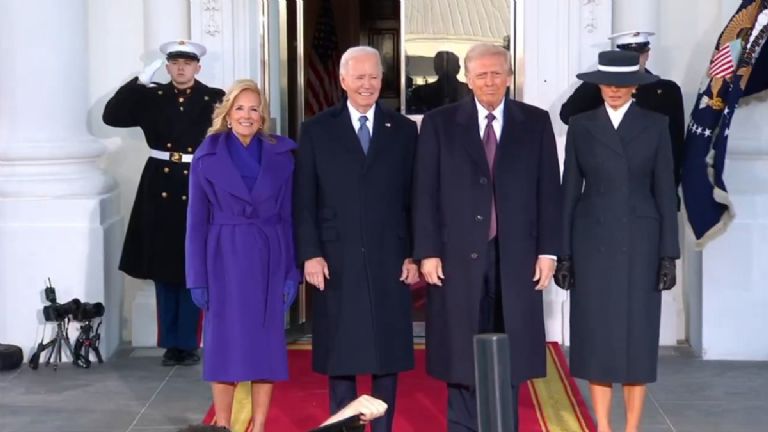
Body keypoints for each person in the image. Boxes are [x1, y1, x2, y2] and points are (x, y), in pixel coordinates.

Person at [412, 43, 561, 432]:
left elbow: (549, 191)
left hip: (515, 257)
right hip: (456, 256)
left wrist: (549, 252)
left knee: (510, 348)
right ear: (466, 78)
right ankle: (462, 426)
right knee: (461, 349)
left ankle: (501, 424)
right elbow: (424, 192)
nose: (490, 81)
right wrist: (426, 252)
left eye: (497, 73)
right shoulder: (440, 123)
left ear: (509, 77)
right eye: (482, 74)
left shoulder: (535, 122)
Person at [293, 45, 419, 432]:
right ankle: (343, 428)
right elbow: (303, 199)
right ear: (343, 80)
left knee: (388, 353)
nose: (367, 85)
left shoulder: (402, 129)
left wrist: (414, 254)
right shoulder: (316, 129)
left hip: (390, 255)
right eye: (359, 77)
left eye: (374, 77)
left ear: (383, 80)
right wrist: (310, 254)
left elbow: (415, 196)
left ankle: (384, 428)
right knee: (341, 354)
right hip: (335, 256)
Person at [555, 50, 679, 432]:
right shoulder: (581, 124)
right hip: (591, 241)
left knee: (638, 339)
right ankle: (604, 427)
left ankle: (632, 428)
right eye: (607, 82)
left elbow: (665, 192)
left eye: (622, 83)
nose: (613, 89)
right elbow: (569, 191)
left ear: (635, 87)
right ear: (598, 84)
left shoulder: (657, 125)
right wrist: (565, 254)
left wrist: (668, 256)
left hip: (642, 243)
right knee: (596, 337)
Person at [185, 79, 300, 432]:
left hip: (269, 258)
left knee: (265, 352)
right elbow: (195, 223)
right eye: (240, 108)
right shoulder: (208, 154)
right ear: (228, 113)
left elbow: (289, 217)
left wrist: (291, 273)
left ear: (262, 115)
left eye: (254, 109)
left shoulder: (282, 154)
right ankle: (224, 425)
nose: (247, 115)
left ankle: (260, 426)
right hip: (224, 261)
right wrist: (197, 278)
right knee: (224, 353)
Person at [102, 40, 224, 366]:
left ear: (198, 67)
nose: (181, 68)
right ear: (167, 66)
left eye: (188, 62)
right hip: (159, 184)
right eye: (174, 63)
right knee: (162, 267)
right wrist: (138, 81)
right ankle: (171, 343)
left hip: (199, 180)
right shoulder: (152, 97)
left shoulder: (215, 98)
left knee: (193, 265)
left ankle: (188, 342)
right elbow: (111, 117)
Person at [559, 31, 685, 199]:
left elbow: (675, 144)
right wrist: (601, 78)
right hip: (607, 185)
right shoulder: (603, 87)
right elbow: (567, 114)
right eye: (628, 55)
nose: (634, 59)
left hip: (649, 188)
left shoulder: (667, 91)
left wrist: (670, 191)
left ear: (647, 54)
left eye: (639, 54)